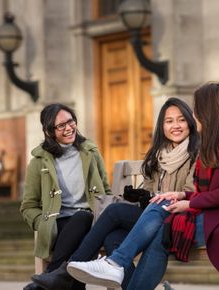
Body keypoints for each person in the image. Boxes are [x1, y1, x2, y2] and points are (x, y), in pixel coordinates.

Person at [67, 82, 219, 290]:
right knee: (161, 217)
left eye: (197, 109)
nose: (195, 115)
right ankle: (116, 263)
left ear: (209, 110)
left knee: (163, 228)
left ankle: (115, 263)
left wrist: (189, 202)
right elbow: (218, 190)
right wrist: (182, 195)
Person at [30, 97, 199, 290]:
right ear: (162, 125)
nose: (175, 126)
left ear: (190, 122)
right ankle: (65, 275)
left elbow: (190, 192)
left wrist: (163, 196)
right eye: (169, 121)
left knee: (114, 212)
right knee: (113, 238)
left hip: (178, 214)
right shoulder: (159, 154)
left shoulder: (197, 152)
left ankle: (63, 274)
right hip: (152, 215)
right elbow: (151, 191)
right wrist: (142, 195)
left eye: (181, 120)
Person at [20, 103, 112, 290]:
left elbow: (106, 191)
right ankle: (55, 278)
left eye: (71, 121)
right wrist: (42, 223)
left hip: (92, 219)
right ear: (49, 131)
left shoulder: (90, 152)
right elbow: (28, 206)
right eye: (61, 126)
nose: (69, 128)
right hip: (58, 222)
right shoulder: (39, 162)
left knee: (84, 217)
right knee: (81, 232)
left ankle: (50, 277)